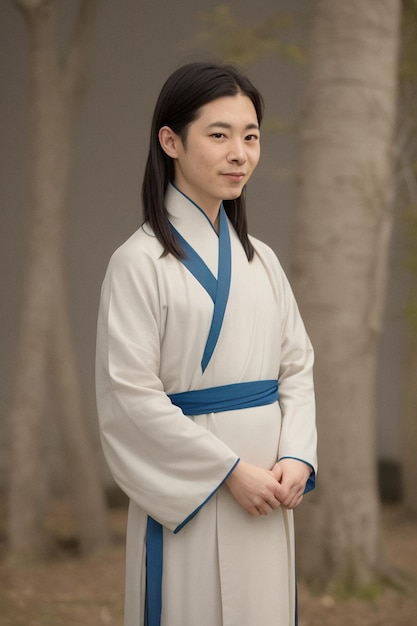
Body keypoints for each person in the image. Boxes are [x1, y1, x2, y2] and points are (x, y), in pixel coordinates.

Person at [96, 61, 317, 626]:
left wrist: (294, 453)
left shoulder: (261, 259)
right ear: (170, 141)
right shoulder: (138, 263)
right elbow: (130, 397)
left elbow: (297, 366)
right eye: (218, 135)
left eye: (250, 136)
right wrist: (228, 471)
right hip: (193, 491)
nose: (239, 153)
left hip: (270, 487)